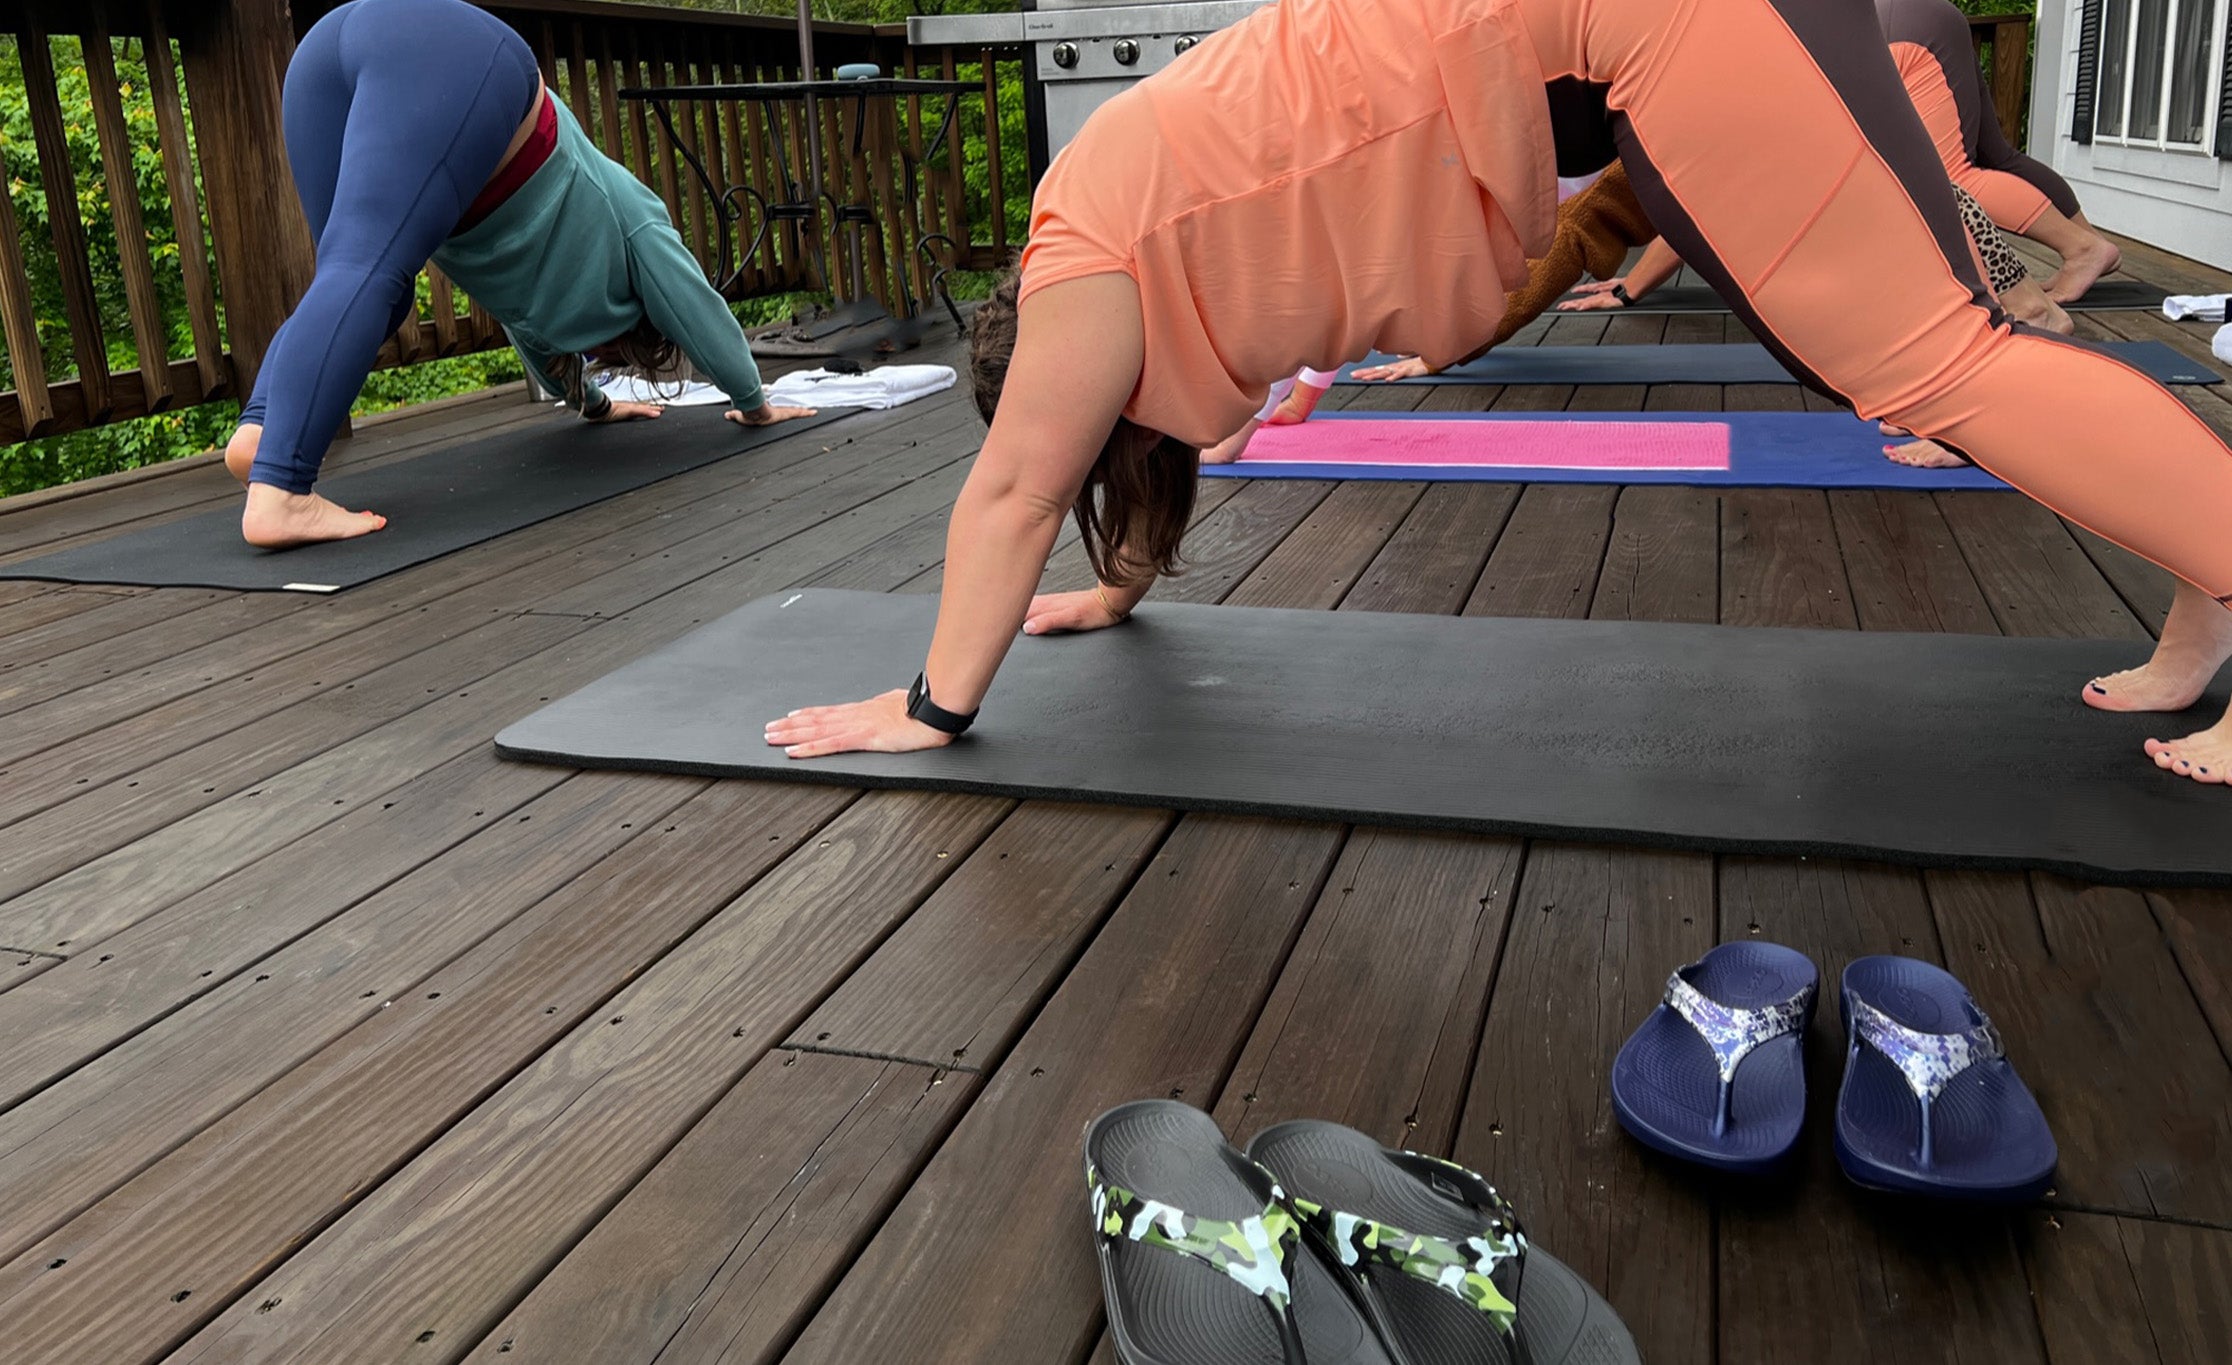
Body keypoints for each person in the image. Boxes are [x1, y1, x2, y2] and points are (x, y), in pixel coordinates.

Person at [764, 0, 2232, 786]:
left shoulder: (1082, 243)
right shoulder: (1157, 250)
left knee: (1936, 362)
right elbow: (1133, 455)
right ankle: (2203, 595)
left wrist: (930, 707)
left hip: (1667, 21)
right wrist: (1121, 586)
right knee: (1938, 347)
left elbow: (1022, 482)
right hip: (1650, 27)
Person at [224, 0, 814, 550]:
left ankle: (263, 433)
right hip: (463, 61)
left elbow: (541, 345)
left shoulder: (535, 303)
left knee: (360, 282)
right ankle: (282, 489)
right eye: (605, 357)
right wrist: (753, 399)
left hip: (330, 48)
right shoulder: (629, 223)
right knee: (364, 272)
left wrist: (595, 406)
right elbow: (689, 299)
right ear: (632, 325)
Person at [1876, 0, 2120, 303]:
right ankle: (2091, 245)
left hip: (1902, 28)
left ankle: (2083, 249)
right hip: (1918, 21)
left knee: (1948, 177)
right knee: (2000, 157)